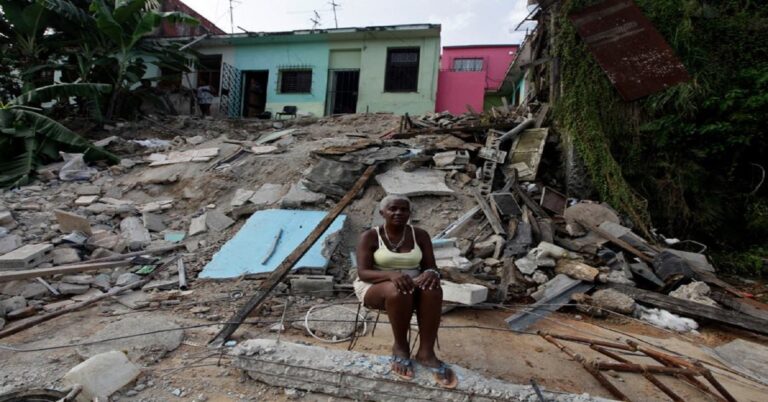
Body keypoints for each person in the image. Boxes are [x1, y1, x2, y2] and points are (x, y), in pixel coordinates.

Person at [354, 195, 458, 388]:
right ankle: (400, 347)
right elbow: (363, 272)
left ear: (409, 213)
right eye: (393, 209)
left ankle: (426, 353)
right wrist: (391, 275)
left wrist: (431, 274)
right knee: (398, 290)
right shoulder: (370, 236)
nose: (398, 213)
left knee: (432, 289)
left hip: (412, 284)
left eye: (403, 210)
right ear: (382, 213)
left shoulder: (420, 235)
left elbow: (431, 267)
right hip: (375, 285)